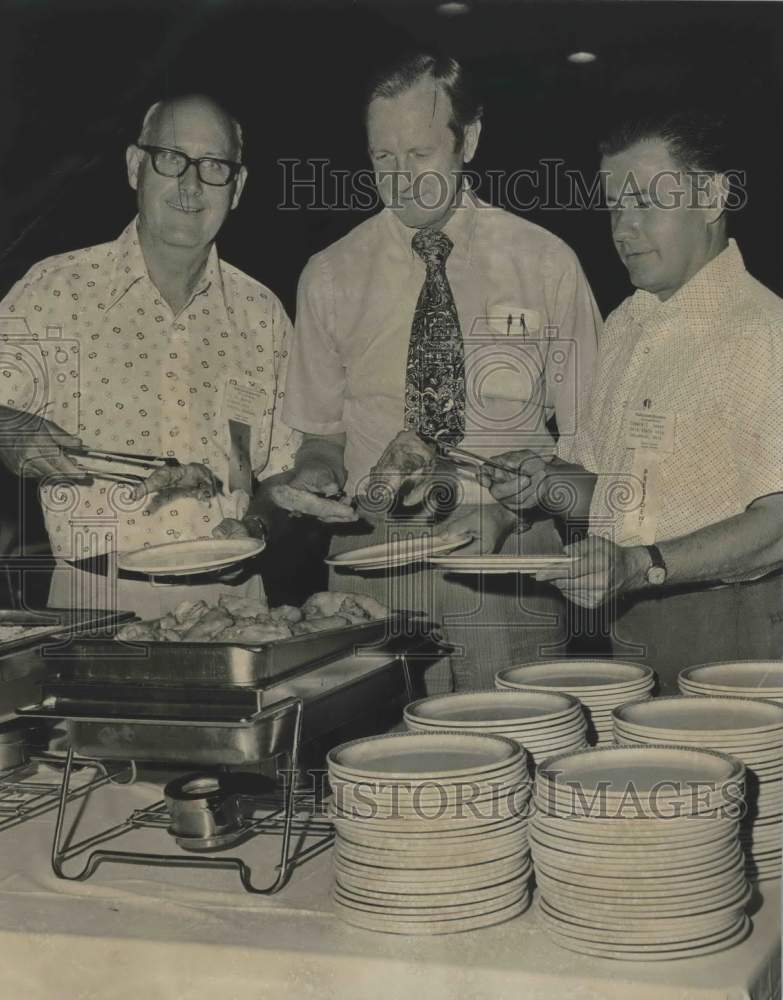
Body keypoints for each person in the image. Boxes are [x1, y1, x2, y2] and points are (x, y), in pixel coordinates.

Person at [279, 51, 601, 692]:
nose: (401, 181)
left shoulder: (545, 263)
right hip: (373, 560)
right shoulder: (330, 273)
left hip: (507, 558)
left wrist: (516, 509)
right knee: (376, 763)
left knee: (516, 748)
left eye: (420, 155)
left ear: (469, 140)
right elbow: (320, 436)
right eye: (382, 159)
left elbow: (592, 441)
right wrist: (316, 475)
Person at [481, 109, 783, 693]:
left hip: (738, 629)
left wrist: (644, 563)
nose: (623, 228)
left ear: (713, 196)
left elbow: (777, 524)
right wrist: (542, 480)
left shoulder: (763, 331)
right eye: (616, 205)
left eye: (647, 202)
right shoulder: (624, 326)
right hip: (630, 617)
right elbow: (602, 485)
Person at [0, 94, 298, 617]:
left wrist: (259, 526)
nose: (191, 185)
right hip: (93, 605)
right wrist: (10, 428)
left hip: (236, 606)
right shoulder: (57, 289)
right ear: (137, 167)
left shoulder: (262, 314)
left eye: (213, 166)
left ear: (238, 186)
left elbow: (282, 474)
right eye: (170, 158)